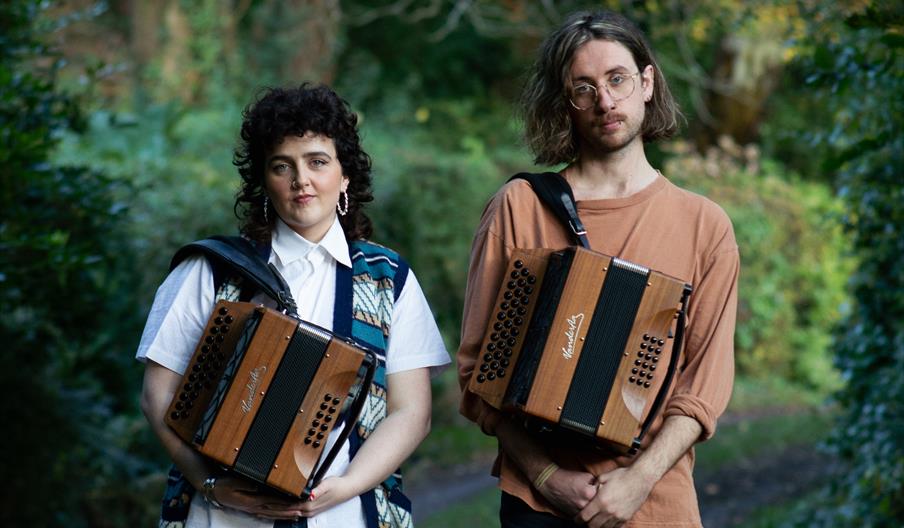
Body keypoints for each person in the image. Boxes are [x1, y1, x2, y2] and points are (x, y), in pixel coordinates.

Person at [457, 10, 739, 528]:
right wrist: (547, 478)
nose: (605, 102)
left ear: (647, 82)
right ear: (564, 102)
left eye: (617, 80)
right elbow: (478, 376)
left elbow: (702, 389)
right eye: (583, 88)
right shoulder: (520, 207)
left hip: (658, 504)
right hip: (537, 506)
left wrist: (638, 480)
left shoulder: (705, 225)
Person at [137, 83, 449, 528]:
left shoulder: (388, 278)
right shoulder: (208, 270)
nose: (301, 180)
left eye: (317, 162)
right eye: (282, 166)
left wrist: (346, 486)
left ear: (344, 177)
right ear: (264, 181)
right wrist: (209, 483)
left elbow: (411, 411)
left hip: (347, 512)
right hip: (226, 518)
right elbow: (156, 397)